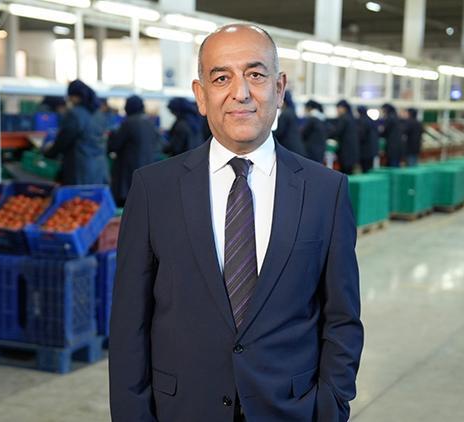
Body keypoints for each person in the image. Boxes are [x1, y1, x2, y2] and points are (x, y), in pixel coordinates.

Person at [109, 23, 363, 422]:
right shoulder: (154, 190)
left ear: (279, 88)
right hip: (181, 410)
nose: (240, 92)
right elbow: (129, 323)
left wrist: (330, 407)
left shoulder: (324, 191)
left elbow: (342, 317)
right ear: (201, 96)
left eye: (256, 75)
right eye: (221, 78)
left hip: (290, 410)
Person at [44, 79, 108, 185]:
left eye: (70, 96)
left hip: (79, 170)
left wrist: (49, 152)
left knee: (77, 195)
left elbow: (63, 140)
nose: (69, 100)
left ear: (76, 96)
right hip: (99, 169)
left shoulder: (75, 114)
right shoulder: (99, 114)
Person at [107, 95, 160, 206]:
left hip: (128, 169)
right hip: (147, 167)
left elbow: (114, 145)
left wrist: (111, 137)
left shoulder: (128, 123)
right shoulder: (150, 123)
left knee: (127, 203)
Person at [329, 100, 360, 175]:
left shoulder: (344, 118)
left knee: (344, 173)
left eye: (338, 108)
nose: (337, 110)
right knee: (350, 172)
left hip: (345, 151)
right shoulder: (351, 118)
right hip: (352, 150)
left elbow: (337, 131)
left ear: (343, 108)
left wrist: (326, 133)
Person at [273, 90, 306, 157]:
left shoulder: (285, 114)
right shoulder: (292, 112)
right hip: (296, 148)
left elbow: (279, 132)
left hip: (289, 148)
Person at [302, 100, 329, 164]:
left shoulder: (312, 119)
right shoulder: (323, 119)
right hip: (321, 149)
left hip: (312, 151)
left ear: (309, 108)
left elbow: (303, 133)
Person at [356, 106, 379, 173]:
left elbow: (361, 135)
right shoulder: (370, 120)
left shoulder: (362, 121)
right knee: (370, 169)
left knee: (365, 169)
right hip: (372, 149)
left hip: (365, 150)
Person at [379, 103, 403, 167]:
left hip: (392, 145)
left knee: (392, 165)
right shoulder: (396, 117)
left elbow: (384, 131)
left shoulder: (390, 118)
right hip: (397, 145)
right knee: (396, 163)